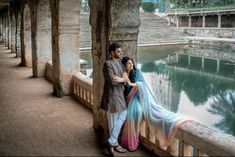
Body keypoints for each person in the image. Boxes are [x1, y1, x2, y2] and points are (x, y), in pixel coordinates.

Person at [113, 56, 190, 152]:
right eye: (128, 63)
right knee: (132, 115)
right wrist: (123, 80)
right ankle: (128, 140)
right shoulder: (124, 73)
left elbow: (142, 85)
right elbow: (123, 81)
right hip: (128, 99)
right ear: (124, 66)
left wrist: (132, 84)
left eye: (131, 62)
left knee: (138, 112)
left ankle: (132, 140)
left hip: (138, 98)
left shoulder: (137, 72)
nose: (131, 64)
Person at [101, 43, 128, 155]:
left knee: (123, 115)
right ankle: (113, 145)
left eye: (121, 51)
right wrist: (123, 79)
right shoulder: (108, 64)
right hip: (112, 96)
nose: (120, 53)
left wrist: (122, 79)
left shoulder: (120, 64)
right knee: (112, 122)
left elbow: (125, 77)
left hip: (120, 96)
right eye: (118, 51)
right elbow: (112, 81)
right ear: (112, 52)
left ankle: (111, 142)